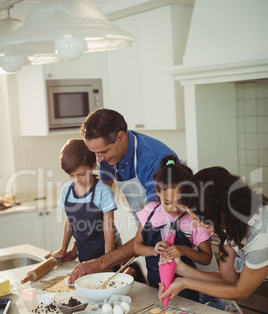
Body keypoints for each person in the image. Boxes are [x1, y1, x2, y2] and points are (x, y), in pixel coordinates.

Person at [68, 109, 180, 283]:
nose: (98, 160)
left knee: (175, 293)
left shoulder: (154, 160)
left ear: (121, 136)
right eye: (94, 153)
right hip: (147, 233)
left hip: (172, 235)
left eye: (103, 152)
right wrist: (81, 244)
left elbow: (154, 223)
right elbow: (99, 201)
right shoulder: (107, 157)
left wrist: (100, 262)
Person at [158, 166, 268, 303]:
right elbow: (227, 279)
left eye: (200, 219)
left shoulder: (262, 233)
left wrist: (186, 284)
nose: (196, 225)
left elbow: (242, 292)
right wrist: (181, 269)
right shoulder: (228, 223)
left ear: (220, 211)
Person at [134, 155, 213, 301]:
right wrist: (153, 250)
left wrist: (184, 250)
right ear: (158, 191)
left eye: (181, 201)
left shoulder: (194, 219)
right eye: (167, 202)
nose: (174, 208)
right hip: (155, 286)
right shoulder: (150, 212)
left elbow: (207, 257)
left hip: (185, 289)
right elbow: (137, 246)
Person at [46, 139, 118, 267]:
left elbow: (108, 229)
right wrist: (63, 249)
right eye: (71, 175)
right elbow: (70, 221)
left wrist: (107, 261)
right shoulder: (66, 190)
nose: (76, 180)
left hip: (108, 251)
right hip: (84, 252)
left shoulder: (103, 191)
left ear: (93, 166)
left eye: (81, 174)